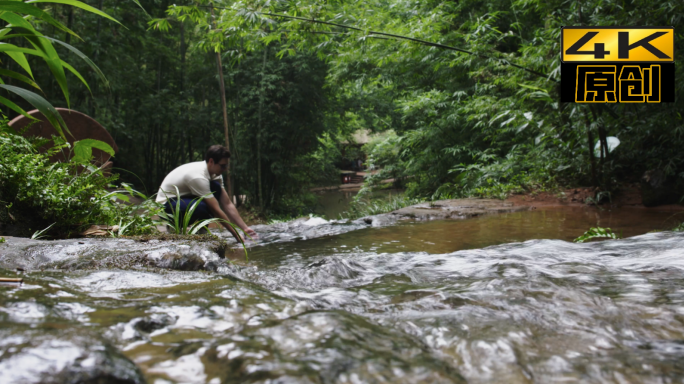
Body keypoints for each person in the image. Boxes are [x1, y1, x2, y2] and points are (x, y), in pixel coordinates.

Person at [156, 145, 257, 241]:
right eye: (222, 166)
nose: (225, 169)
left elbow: (227, 204)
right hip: (166, 206)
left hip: (184, 199)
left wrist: (245, 228)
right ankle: (174, 229)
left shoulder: (216, 174)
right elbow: (216, 209)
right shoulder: (197, 176)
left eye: (226, 165)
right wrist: (236, 234)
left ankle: (201, 232)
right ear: (211, 161)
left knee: (215, 188)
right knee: (202, 206)